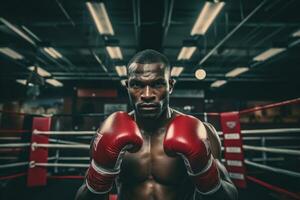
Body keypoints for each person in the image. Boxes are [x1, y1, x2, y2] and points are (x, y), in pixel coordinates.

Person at [75, 49, 238, 200]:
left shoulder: (202, 132)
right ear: (127, 86)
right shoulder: (108, 133)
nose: (147, 95)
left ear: (171, 86)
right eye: (137, 85)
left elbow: (230, 195)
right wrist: (99, 175)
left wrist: (206, 174)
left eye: (157, 84)